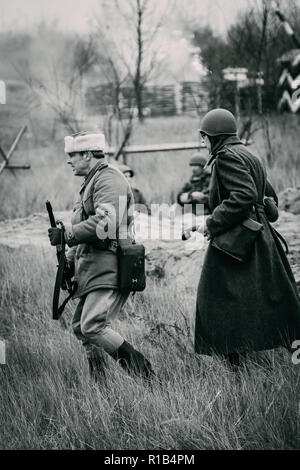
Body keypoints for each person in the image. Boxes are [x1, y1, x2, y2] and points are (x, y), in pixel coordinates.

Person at [194, 109, 300, 366]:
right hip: (260, 238)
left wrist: (211, 223)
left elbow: (243, 195)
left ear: (213, 136)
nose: (203, 143)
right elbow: (269, 198)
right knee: (274, 301)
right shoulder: (249, 155)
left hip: (238, 242)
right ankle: (254, 362)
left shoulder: (226, 157)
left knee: (218, 301)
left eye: (204, 137)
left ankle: (236, 368)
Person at [48, 131, 154, 381]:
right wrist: (69, 262)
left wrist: (68, 234)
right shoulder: (90, 182)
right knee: (82, 328)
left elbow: (105, 223)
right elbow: (83, 231)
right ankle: (100, 385)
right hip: (94, 266)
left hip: (111, 264)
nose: (69, 161)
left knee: (93, 325)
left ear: (87, 154)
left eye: (72, 155)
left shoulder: (109, 179)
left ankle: (145, 373)